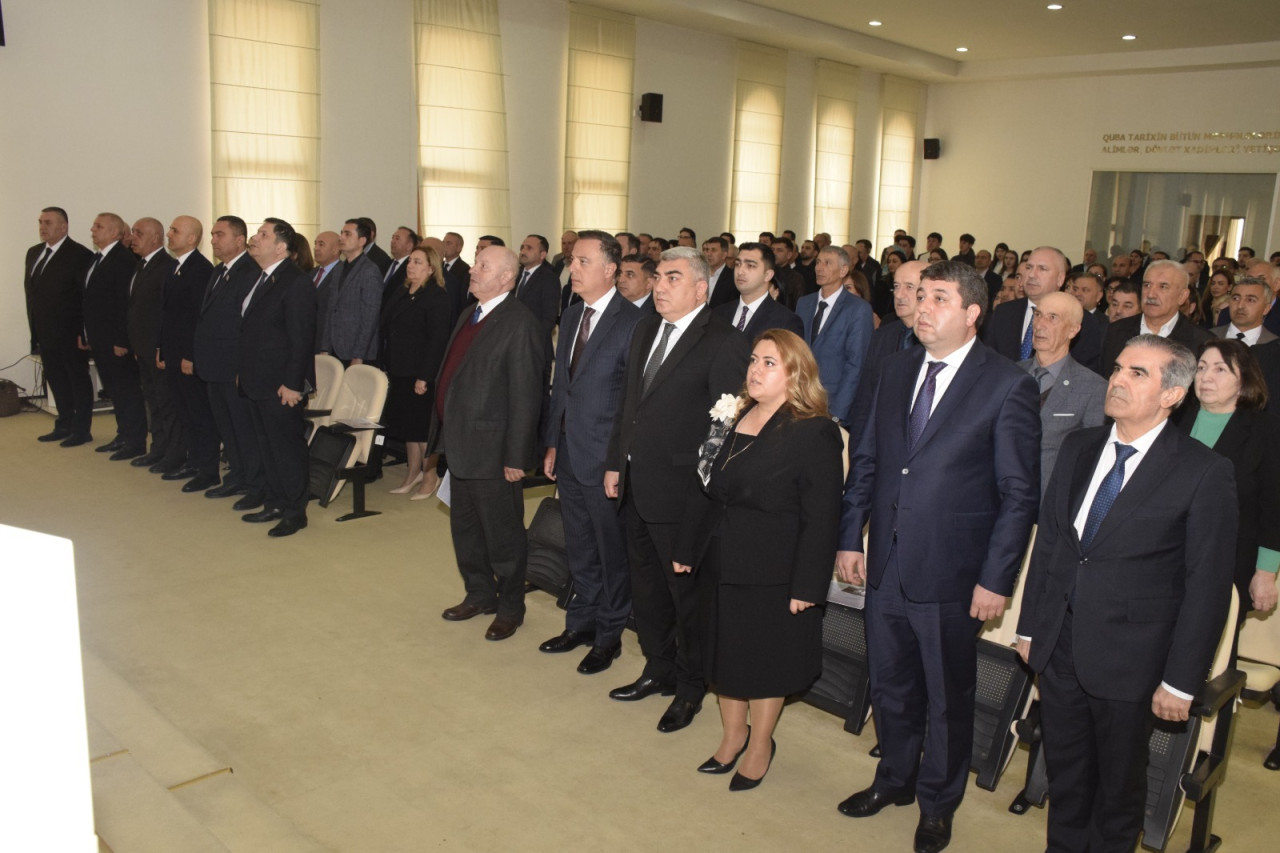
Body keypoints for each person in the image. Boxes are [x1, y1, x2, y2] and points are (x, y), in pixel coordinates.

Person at [835, 261, 1040, 853]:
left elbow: (1019, 494)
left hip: (954, 570)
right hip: (886, 561)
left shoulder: (1007, 384)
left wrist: (996, 579)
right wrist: (850, 536)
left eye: (939, 298)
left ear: (973, 313)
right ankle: (894, 779)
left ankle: (937, 804)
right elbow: (868, 459)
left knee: (948, 697)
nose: (922, 307)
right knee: (891, 683)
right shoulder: (896, 367)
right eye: (920, 295)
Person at [1016, 335, 1236, 852]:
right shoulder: (1080, 446)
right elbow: (1051, 545)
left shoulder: (1203, 471)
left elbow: (1207, 587)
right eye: (1117, 368)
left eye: (1138, 373)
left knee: (1118, 791)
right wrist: (1030, 627)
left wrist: (1181, 681)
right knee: (1066, 777)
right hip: (1061, 645)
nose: (1117, 380)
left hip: (1135, 660)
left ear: (1172, 395)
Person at [674, 329, 842, 791]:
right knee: (723, 654)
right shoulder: (732, 415)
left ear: (796, 373)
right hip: (720, 560)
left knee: (763, 662)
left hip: (774, 570)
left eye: (769, 362)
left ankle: (761, 744)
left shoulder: (814, 431)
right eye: (753, 360)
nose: (755, 369)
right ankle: (733, 735)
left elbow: (822, 517)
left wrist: (807, 586)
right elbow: (704, 488)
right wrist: (687, 547)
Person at [605, 246, 750, 733]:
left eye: (672, 278)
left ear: (701, 289)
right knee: (647, 590)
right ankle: (658, 667)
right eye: (659, 277)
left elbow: (725, 430)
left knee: (687, 599)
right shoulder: (646, 328)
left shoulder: (723, 341)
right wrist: (615, 463)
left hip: (685, 494)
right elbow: (629, 405)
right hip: (635, 484)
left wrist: (702, 498)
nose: (659, 286)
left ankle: (690, 687)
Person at [540, 231, 644, 674]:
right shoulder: (571, 313)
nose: (573, 268)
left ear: (610, 269)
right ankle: (579, 623)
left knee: (610, 551)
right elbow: (560, 386)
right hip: (568, 451)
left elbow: (632, 403)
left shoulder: (634, 322)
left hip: (604, 460)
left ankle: (608, 636)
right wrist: (552, 441)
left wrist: (617, 462)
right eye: (572, 261)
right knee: (579, 546)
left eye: (583, 261)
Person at [431, 245, 547, 640]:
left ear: (506, 278)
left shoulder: (520, 323)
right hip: (460, 443)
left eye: (483, 266)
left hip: (495, 451)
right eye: (476, 263)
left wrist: (517, 457)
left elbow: (527, 396)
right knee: (465, 529)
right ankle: (479, 593)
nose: (473, 270)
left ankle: (511, 607)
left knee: (503, 536)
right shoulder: (470, 313)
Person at [1175, 340, 1280, 619]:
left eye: (1220, 369)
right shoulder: (1174, 419)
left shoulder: (1265, 431)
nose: (1206, 377)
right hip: (1168, 560)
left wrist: (1265, 573)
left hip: (1229, 562)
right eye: (1201, 368)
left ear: (1243, 380)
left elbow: (1273, 507)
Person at [237, 219, 317, 537]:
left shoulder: (295, 282)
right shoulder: (260, 277)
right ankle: (274, 502)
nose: (255, 238)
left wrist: (294, 383)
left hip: (282, 384)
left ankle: (295, 512)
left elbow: (301, 339)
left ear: (281, 247)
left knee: (287, 450)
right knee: (265, 446)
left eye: (263, 234)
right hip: (257, 380)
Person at [195, 215, 265, 507]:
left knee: (243, 429)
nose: (213, 240)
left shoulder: (250, 272)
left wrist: (241, 368)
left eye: (219, 235)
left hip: (234, 367)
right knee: (227, 427)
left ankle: (254, 483)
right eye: (212, 234)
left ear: (239, 240)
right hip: (214, 365)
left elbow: (247, 326)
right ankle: (237, 475)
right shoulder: (218, 271)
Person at [381, 244, 452, 499]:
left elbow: (437, 340)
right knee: (408, 427)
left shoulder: (436, 296)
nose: (411, 265)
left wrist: (425, 376)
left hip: (421, 372)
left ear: (431, 268)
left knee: (422, 429)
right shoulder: (402, 292)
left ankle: (430, 475)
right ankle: (413, 473)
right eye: (410, 261)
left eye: (418, 262)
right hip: (400, 369)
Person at [1017, 292, 1107, 494]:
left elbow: (1089, 458)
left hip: (1049, 495)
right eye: (1038, 315)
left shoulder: (1093, 387)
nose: (1040, 325)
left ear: (1073, 330)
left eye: (1053, 318)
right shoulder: (1010, 374)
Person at [25, 206, 96, 445]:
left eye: (48, 222)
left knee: (77, 380)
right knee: (56, 379)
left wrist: (83, 332)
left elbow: (86, 298)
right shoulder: (34, 253)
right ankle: (64, 424)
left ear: (63, 227)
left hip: (70, 333)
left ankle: (81, 430)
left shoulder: (80, 255)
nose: (42, 227)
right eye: (40, 222)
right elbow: (33, 295)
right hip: (44, 332)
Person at [83, 212, 149, 459]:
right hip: (100, 338)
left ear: (114, 232)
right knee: (115, 391)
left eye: (98, 226)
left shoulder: (122, 260)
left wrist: (122, 340)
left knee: (127, 391)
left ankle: (135, 442)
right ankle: (123, 435)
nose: (92, 229)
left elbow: (126, 304)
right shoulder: (98, 258)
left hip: (116, 341)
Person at [124, 217, 180, 469]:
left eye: (139, 233)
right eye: (132, 232)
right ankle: (158, 449)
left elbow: (166, 313)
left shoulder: (166, 266)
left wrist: (160, 348)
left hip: (158, 349)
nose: (132, 237)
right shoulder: (142, 264)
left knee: (166, 404)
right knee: (153, 402)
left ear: (156, 238)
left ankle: (173, 454)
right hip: (143, 347)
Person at [797, 246, 873, 427]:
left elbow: (856, 365)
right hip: (799, 400)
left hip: (833, 404)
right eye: (818, 262)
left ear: (843, 270)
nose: (819, 268)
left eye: (827, 263)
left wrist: (837, 414)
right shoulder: (804, 303)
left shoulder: (858, 309)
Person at [1100, 260, 1213, 374]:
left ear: (1182, 296)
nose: (1151, 294)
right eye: (1147, 285)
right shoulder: (1115, 331)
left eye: (1163, 286)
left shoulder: (1202, 342)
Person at [714, 242, 803, 338]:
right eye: (737, 264)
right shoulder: (719, 313)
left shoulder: (786, 321)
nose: (740, 271)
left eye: (750, 265)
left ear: (768, 275)